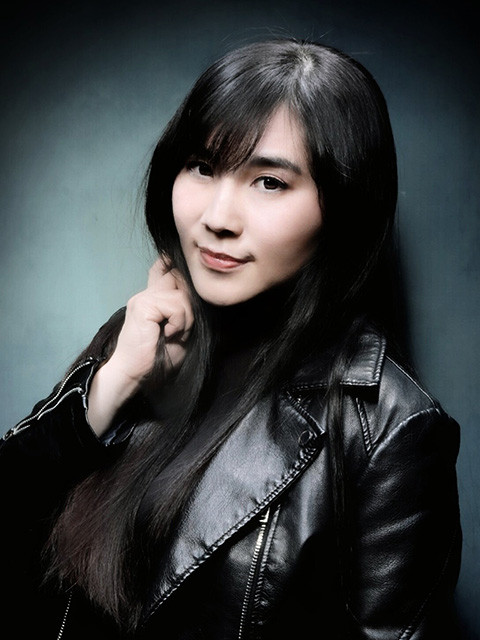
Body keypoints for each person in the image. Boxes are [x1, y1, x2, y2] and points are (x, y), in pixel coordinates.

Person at [0, 39, 461, 639]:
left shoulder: (390, 428)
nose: (217, 218)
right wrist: (110, 388)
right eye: (202, 167)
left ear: (344, 206)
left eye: (268, 182)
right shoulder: (139, 334)